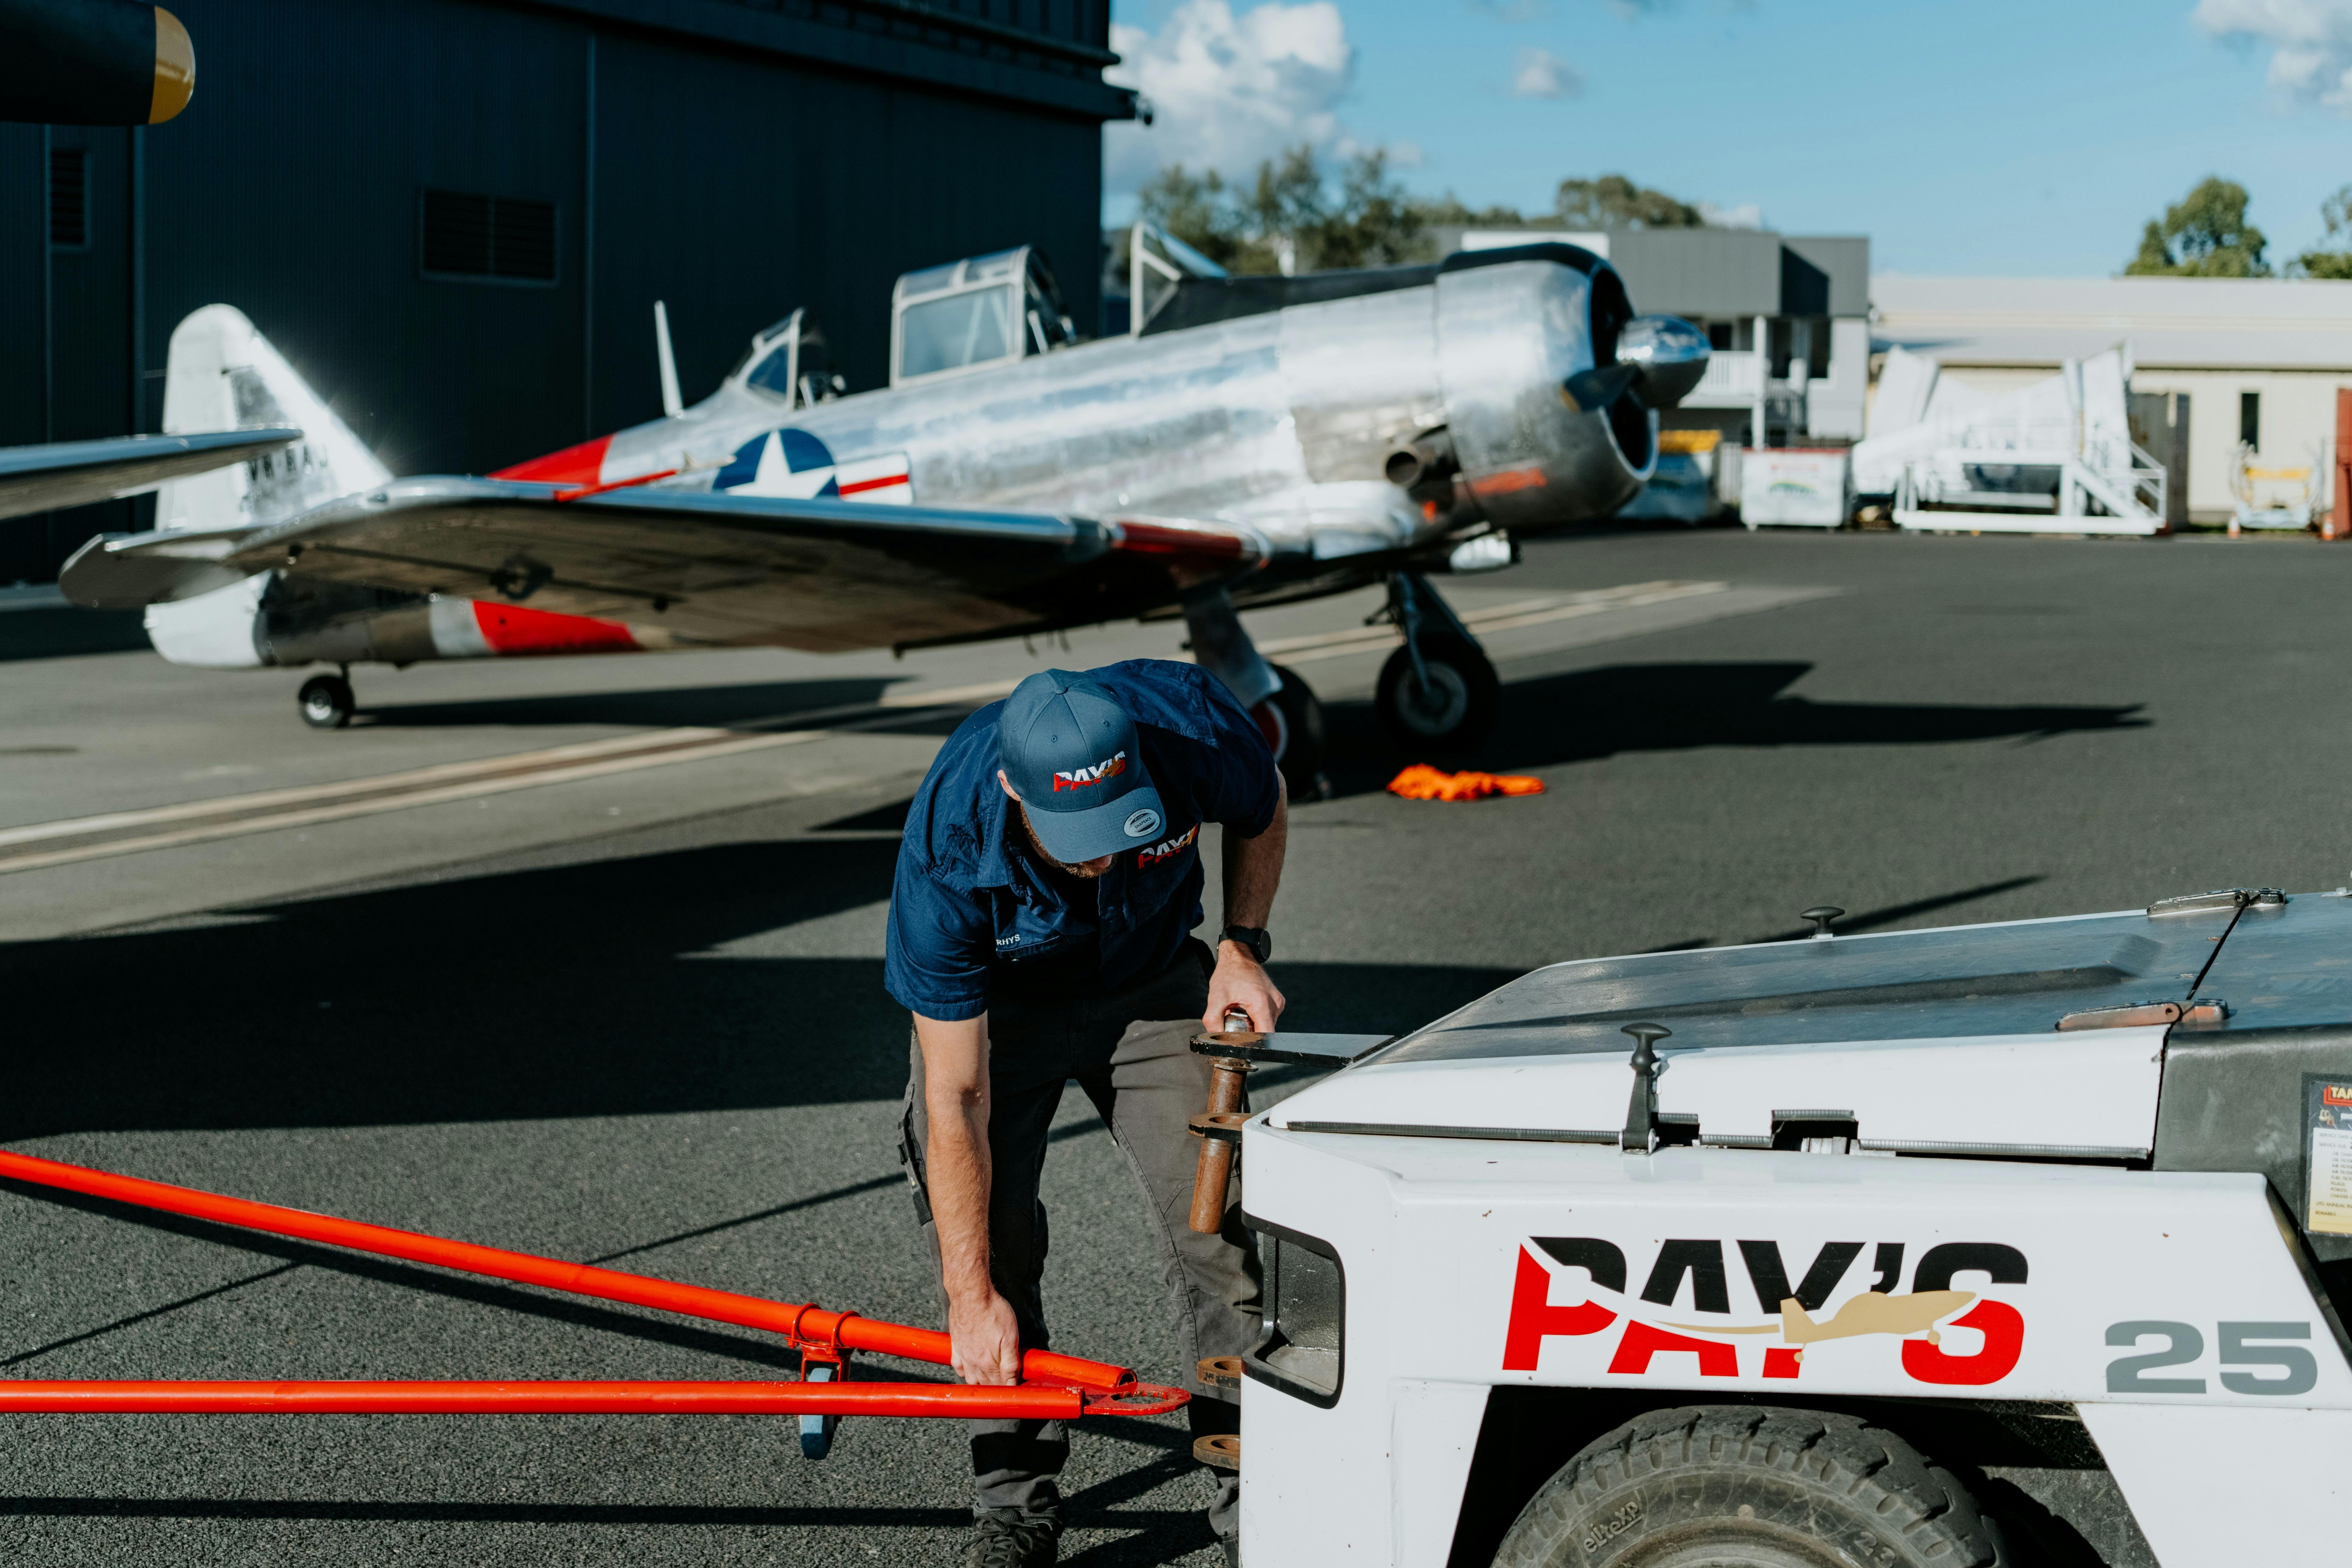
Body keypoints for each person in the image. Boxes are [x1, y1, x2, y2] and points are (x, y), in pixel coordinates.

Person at [886, 660, 1288, 1567]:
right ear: (1011, 791)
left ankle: (1254, 1497)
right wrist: (966, 1296)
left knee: (1215, 1231)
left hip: (1148, 982)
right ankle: (1015, 1506)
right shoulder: (952, 842)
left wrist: (1239, 948)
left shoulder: (1183, 725)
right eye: (1077, 840)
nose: (1101, 855)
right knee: (991, 1251)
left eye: (1118, 827)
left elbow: (1264, 801)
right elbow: (955, 1096)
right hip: (1004, 1009)